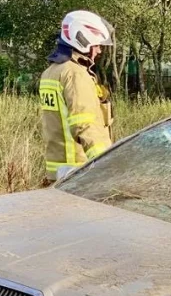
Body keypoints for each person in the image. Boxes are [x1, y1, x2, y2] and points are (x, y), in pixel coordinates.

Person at [39, 10, 115, 184]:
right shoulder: (75, 74)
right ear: (82, 40)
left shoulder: (50, 72)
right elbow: (84, 123)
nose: (99, 50)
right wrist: (105, 165)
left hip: (58, 171)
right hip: (79, 171)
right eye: (96, 45)